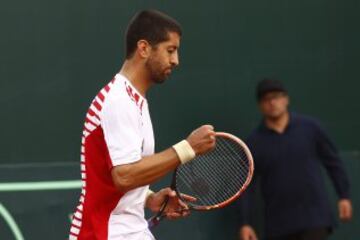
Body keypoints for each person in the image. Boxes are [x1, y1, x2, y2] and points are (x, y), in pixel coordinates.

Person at [69, 10, 216, 240]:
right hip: (104, 233)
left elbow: (117, 177)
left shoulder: (135, 99)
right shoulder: (118, 100)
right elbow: (124, 175)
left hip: (131, 230)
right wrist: (188, 148)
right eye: (170, 50)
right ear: (144, 48)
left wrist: (148, 198)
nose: (176, 60)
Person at [238, 79, 352, 240]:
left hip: (314, 219)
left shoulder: (311, 128)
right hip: (278, 226)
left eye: (276, 96)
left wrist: (344, 195)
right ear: (260, 105)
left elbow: (333, 163)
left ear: (286, 99)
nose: (272, 102)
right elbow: (246, 188)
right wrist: (245, 223)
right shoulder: (253, 143)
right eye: (266, 99)